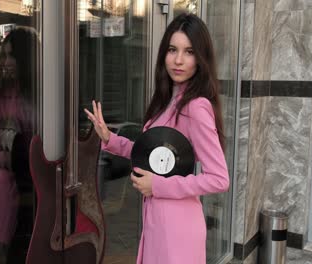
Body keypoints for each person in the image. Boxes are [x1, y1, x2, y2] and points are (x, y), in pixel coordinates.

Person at [84, 13, 229, 264]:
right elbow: (152, 155)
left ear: (201, 59)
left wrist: (158, 186)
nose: (179, 60)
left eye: (189, 51)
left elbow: (219, 179)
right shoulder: (167, 100)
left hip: (178, 228)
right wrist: (110, 138)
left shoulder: (196, 107)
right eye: (173, 49)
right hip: (157, 221)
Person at [0, 26, 37, 264]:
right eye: (4, 55)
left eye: (11, 55)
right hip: (4, 186)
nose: (6, 61)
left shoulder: (39, 96)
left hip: (35, 187)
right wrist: (2, 155)